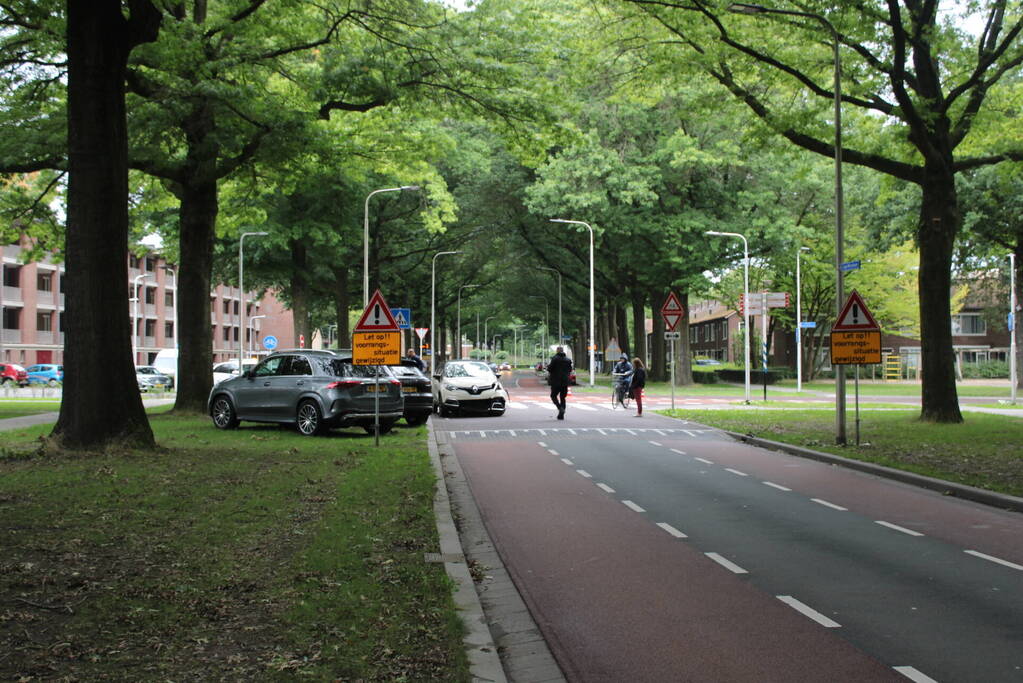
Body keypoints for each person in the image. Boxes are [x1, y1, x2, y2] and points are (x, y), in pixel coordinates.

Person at [547, 346, 573, 420]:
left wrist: (548, 367)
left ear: (557, 351)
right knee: (563, 398)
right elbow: (570, 370)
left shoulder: (555, 359)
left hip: (556, 381)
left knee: (553, 396)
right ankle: (561, 415)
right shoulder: (568, 360)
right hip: (565, 382)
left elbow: (550, 369)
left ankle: (559, 408)